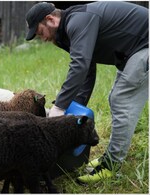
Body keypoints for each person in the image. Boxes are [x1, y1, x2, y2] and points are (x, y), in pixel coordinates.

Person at [25, 1, 148, 183]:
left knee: (121, 100)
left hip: (144, 45)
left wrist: (59, 107)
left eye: (40, 32)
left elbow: (80, 65)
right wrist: (76, 106)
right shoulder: (64, 34)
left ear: (50, 19)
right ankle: (110, 157)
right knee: (116, 98)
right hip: (132, 51)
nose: (41, 38)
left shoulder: (78, 21)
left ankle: (111, 165)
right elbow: (88, 69)